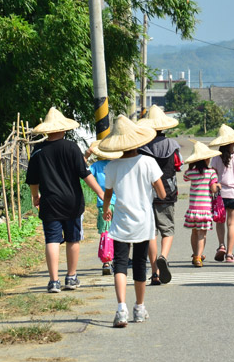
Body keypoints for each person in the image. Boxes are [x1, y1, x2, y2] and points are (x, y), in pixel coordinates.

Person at [26, 107, 105, 293]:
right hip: (72, 201)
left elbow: (33, 180)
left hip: (50, 202)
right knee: (73, 239)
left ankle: (54, 281)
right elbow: (85, 175)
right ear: (63, 129)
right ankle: (71, 277)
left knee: (52, 240)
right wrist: (100, 193)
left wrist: (35, 196)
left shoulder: (38, 151)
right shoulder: (71, 147)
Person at [99, 115, 166, 328]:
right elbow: (162, 193)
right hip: (143, 223)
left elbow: (108, 193)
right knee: (139, 264)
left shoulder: (112, 166)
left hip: (121, 223)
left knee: (119, 265)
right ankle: (139, 308)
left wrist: (107, 209)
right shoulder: (148, 162)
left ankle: (121, 310)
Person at [137, 105, 183, 285]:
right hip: (168, 192)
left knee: (151, 233)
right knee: (168, 230)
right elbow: (178, 166)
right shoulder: (173, 145)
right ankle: (164, 256)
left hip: (147, 193)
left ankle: (155, 272)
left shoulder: (143, 146)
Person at [209, 124, 234, 263]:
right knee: (232, 224)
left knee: (220, 222)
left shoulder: (215, 158)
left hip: (220, 194)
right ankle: (230, 254)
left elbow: (213, 177)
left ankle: (221, 245)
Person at [84, 140, 123, 275]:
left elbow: (82, 168)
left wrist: (87, 154)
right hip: (119, 203)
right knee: (119, 232)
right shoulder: (118, 165)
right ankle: (119, 260)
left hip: (103, 203)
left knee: (106, 232)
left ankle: (107, 261)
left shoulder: (96, 166)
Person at [183, 140, 221, 267]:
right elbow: (213, 189)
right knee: (202, 234)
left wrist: (191, 166)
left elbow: (185, 176)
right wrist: (218, 186)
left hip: (193, 208)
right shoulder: (211, 172)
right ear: (206, 159)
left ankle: (195, 254)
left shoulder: (191, 173)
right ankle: (198, 257)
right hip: (204, 208)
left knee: (194, 232)